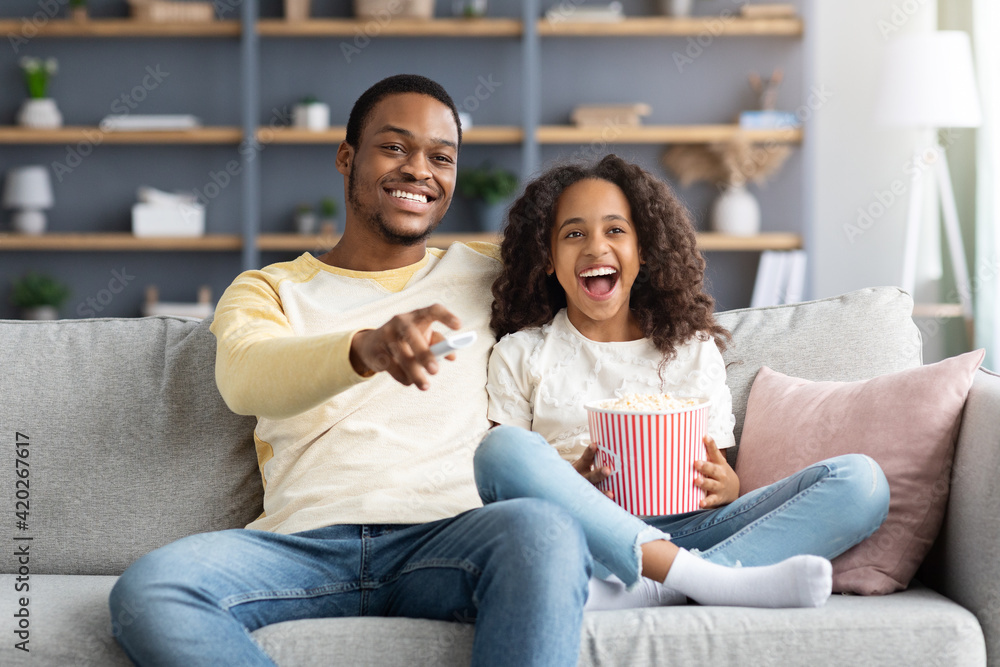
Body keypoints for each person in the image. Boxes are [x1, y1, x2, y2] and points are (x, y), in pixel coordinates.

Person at [108, 75, 593, 667]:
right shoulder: (270, 288)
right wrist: (366, 349)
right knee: (150, 589)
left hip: (446, 539)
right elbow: (244, 377)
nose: (419, 170)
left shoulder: (491, 273)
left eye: (441, 157)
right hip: (304, 546)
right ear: (346, 157)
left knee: (543, 532)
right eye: (394, 147)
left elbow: (607, 271)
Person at [475, 154, 891, 610]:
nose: (596, 247)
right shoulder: (522, 354)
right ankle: (705, 582)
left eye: (616, 230)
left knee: (862, 481)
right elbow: (505, 493)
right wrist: (568, 488)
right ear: (548, 260)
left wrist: (729, 487)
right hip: (585, 539)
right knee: (501, 452)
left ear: (644, 251)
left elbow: (719, 473)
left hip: (691, 529)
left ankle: (661, 587)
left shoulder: (691, 349)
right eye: (574, 234)